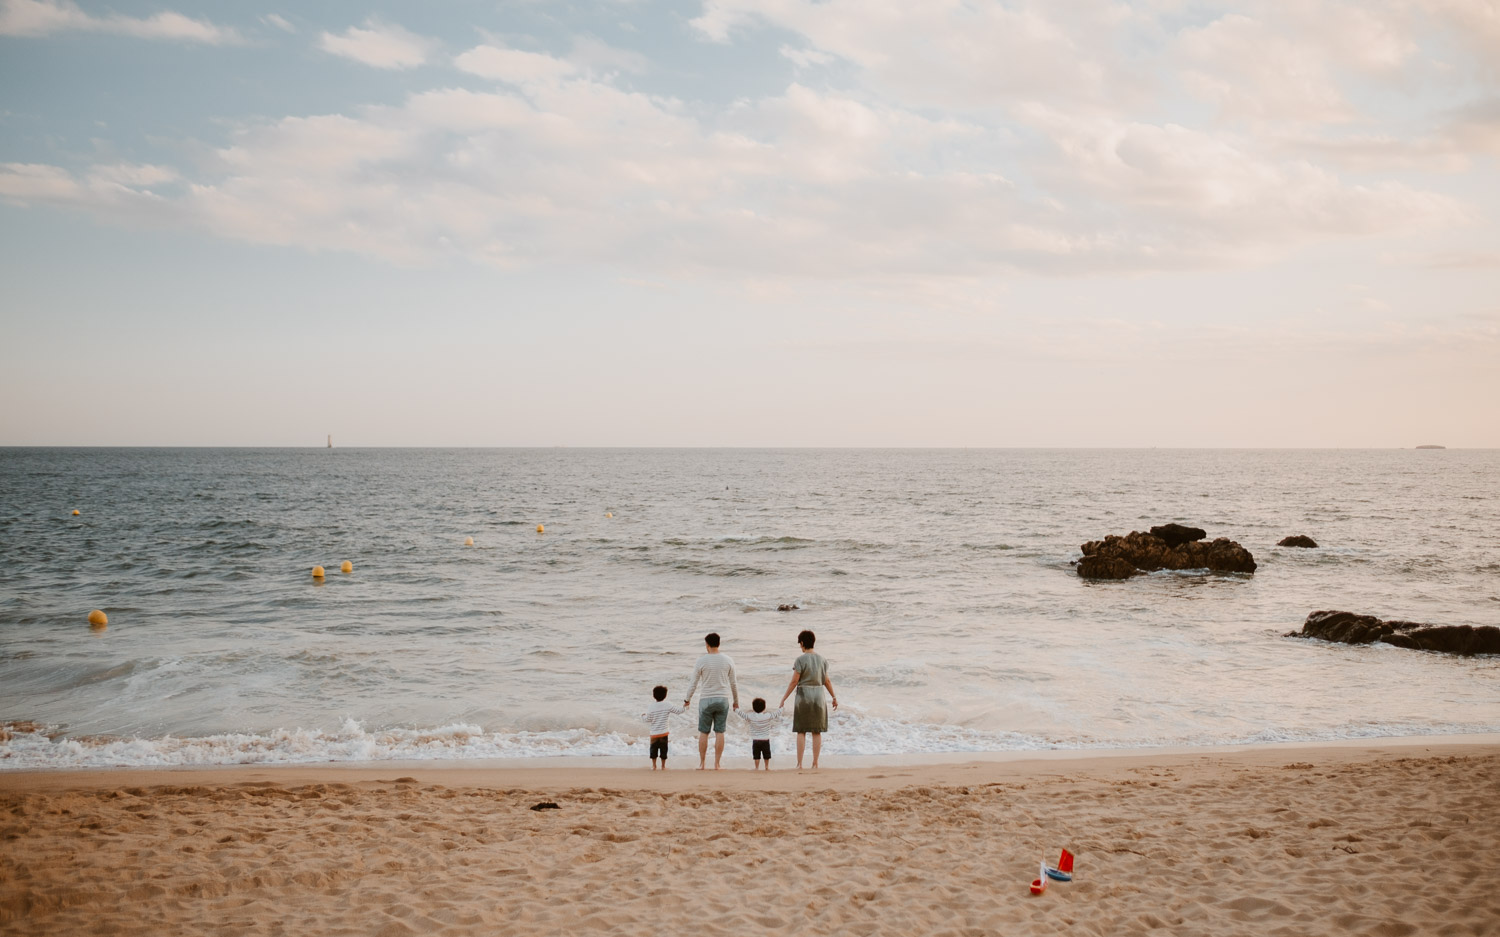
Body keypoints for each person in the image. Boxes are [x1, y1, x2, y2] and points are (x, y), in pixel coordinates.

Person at [778, 629, 836, 770]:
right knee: (817, 731)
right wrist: (834, 697)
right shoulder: (822, 660)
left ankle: (799, 764)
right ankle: (815, 763)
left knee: (801, 730)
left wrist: (784, 698)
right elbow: (826, 681)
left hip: (803, 696)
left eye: (800, 644)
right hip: (818, 696)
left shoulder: (800, 660)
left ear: (803, 643)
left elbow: (794, 682)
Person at [683, 632, 739, 770]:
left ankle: (702, 764)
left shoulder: (701, 661)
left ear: (707, 645)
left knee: (704, 732)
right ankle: (717, 764)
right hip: (722, 699)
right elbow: (734, 683)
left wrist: (687, 699)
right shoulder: (728, 660)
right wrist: (736, 701)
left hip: (706, 700)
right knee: (720, 732)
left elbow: (693, 683)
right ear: (719, 644)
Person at [641, 685, 685, 770]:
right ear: (665, 695)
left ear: (654, 695)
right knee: (663, 750)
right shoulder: (667, 705)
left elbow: (648, 719)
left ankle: (654, 766)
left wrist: (643, 716)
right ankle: (663, 766)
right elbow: (678, 711)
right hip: (664, 733)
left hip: (654, 734)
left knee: (653, 750)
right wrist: (685, 706)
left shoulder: (651, 706)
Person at [736, 698, 781, 770]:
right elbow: (776, 714)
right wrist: (781, 708)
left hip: (756, 740)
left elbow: (743, 715)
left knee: (756, 755)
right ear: (764, 707)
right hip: (765, 739)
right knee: (766, 754)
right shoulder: (767, 716)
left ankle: (756, 767)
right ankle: (766, 767)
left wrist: (736, 709)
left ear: (753, 708)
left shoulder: (751, 716)